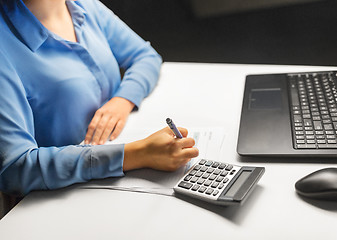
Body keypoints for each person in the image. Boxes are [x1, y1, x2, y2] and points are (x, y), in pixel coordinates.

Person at [0, 0, 199, 197]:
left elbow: (145, 56)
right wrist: (134, 154)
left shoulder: (83, 5)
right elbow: (15, 168)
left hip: (120, 167)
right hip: (63, 193)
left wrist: (123, 100)